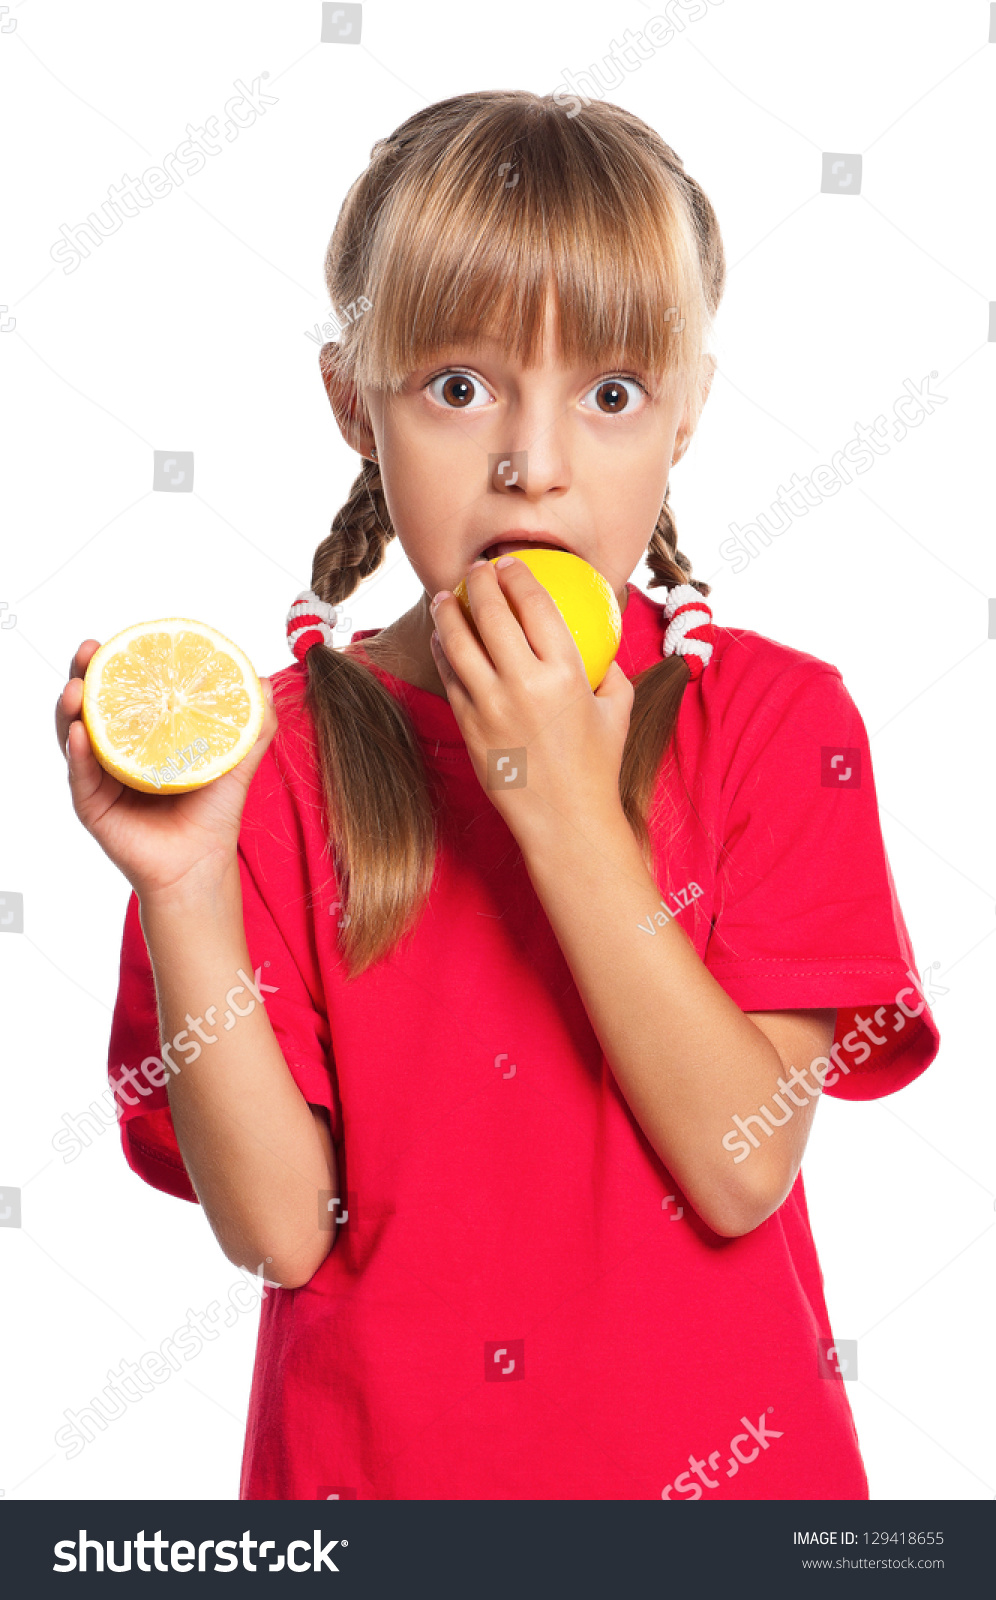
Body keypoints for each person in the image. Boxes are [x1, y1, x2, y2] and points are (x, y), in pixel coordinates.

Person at [56, 91, 939, 1501]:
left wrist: (563, 805)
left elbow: (738, 1169)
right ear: (354, 399)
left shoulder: (775, 722)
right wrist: (182, 887)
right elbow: (282, 1233)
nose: (535, 461)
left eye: (610, 394)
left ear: (690, 413)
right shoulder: (271, 757)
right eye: (459, 388)